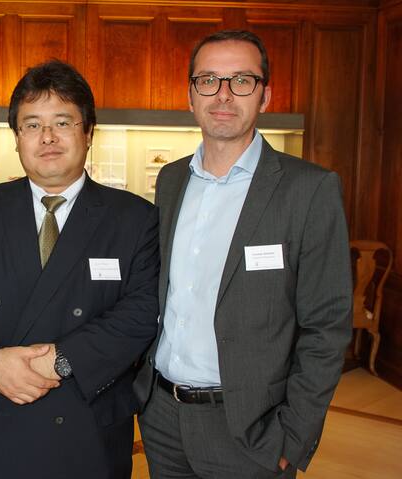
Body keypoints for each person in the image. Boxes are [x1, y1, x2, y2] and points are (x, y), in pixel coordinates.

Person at [133, 30, 352, 478]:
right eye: (208, 80)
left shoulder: (309, 189)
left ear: (265, 96)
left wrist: (295, 433)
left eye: (242, 80)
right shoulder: (171, 180)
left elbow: (327, 324)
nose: (224, 94)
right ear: (190, 96)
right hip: (163, 418)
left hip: (252, 428)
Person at [0, 60, 160, 479]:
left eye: (63, 122)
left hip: (84, 425)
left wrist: (60, 361)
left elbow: (141, 312)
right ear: (17, 138)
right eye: (32, 125)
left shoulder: (133, 218)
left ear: (88, 133)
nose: (48, 137)